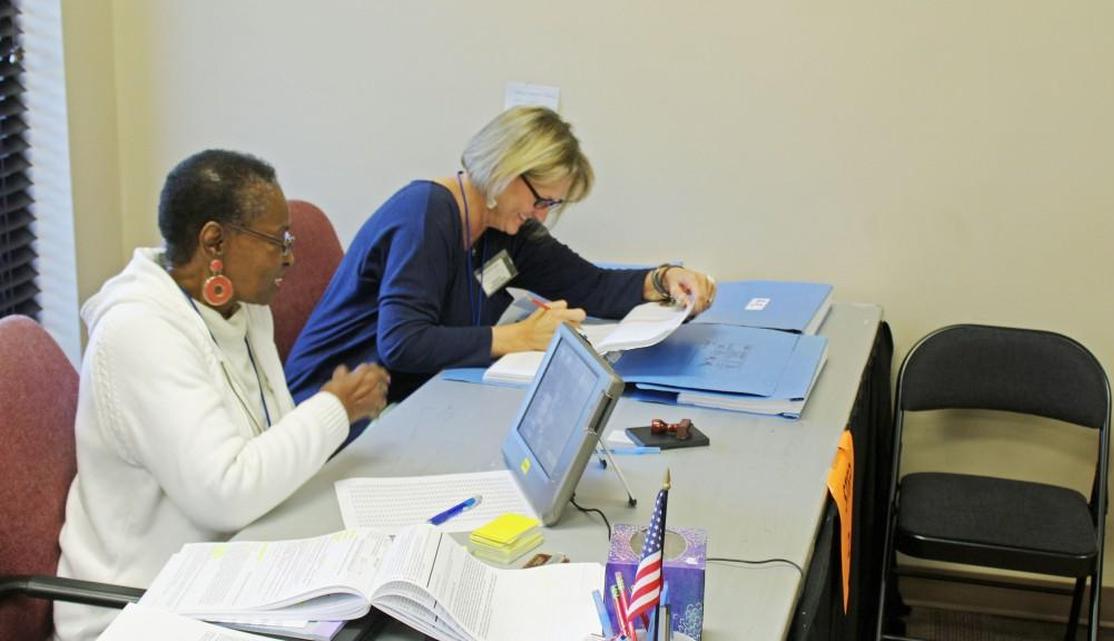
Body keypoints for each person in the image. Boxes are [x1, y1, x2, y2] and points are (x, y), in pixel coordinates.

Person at [54, 150, 389, 641]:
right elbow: (225, 494)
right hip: (141, 606)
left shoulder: (243, 304)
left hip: (233, 565)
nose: (290, 256)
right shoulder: (138, 332)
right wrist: (335, 408)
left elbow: (272, 435)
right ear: (215, 241)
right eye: (278, 241)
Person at [286, 107, 715, 445]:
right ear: (507, 170)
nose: (541, 216)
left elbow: (592, 286)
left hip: (418, 401)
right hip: (335, 413)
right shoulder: (427, 214)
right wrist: (520, 337)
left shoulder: (507, 229)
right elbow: (401, 343)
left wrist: (664, 279)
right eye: (541, 200)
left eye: (552, 205)